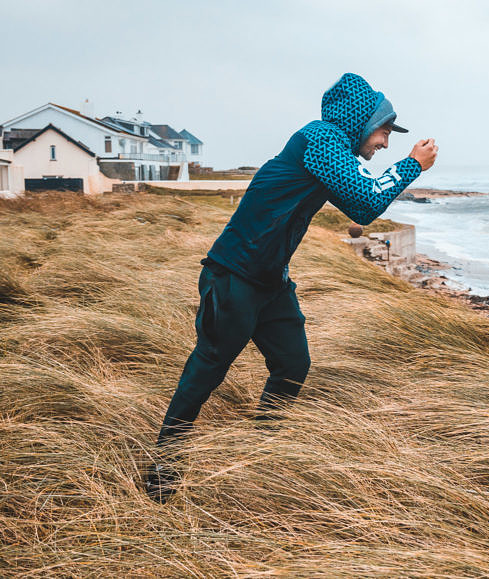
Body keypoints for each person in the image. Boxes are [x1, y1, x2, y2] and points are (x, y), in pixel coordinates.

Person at [143, 72, 438, 502]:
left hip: (270, 282)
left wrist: (373, 200)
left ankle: (261, 450)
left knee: (293, 364)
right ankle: (163, 469)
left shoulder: (330, 154)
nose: (386, 143)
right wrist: (413, 164)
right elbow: (370, 199)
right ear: (361, 120)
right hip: (233, 276)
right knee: (208, 369)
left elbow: (359, 204)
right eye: (385, 131)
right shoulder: (317, 139)